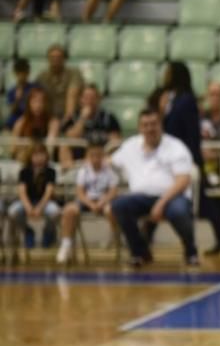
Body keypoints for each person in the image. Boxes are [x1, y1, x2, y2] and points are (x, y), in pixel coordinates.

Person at [161, 62, 220, 256]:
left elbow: (191, 133)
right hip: (176, 156)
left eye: (168, 72)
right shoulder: (173, 98)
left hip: (186, 158)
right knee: (202, 200)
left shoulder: (186, 100)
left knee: (199, 200)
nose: (164, 76)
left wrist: (193, 159)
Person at [110, 108, 199, 268]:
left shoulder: (175, 146)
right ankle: (140, 252)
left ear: (161, 125)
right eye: (145, 125)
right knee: (119, 205)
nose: (150, 128)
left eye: (154, 124)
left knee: (178, 211)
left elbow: (183, 180)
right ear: (139, 128)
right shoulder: (130, 146)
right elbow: (110, 163)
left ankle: (190, 251)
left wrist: (161, 203)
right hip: (141, 197)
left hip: (172, 196)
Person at [58, 137, 118, 265]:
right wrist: (90, 204)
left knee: (112, 210)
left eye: (99, 155)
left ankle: (112, 236)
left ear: (103, 156)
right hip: (87, 200)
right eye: (93, 155)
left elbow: (113, 191)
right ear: (88, 156)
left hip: (104, 200)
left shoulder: (109, 170)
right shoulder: (83, 170)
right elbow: (80, 192)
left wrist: (102, 202)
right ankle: (66, 245)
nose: (96, 159)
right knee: (69, 210)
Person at [6, 142, 60, 255]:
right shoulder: (24, 171)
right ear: (30, 156)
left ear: (46, 155)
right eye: (36, 154)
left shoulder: (51, 171)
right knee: (13, 211)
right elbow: (22, 192)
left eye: (42, 154)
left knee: (55, 212)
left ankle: (48, 232)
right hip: (27, 201)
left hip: (45, 202)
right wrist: (28, 207)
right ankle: (27, 231)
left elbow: (48, 192)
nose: (39, 157)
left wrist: (40, 207)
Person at [58, 83, 121, 167]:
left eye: (92, 98)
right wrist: (82, 118)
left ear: (98, 99)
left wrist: (97, 156)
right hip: (77, 162)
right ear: (81, 100)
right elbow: (71, 138)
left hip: (102, 161)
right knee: (63, 147)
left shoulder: (108, 118)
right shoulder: (73, 118)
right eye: (86, 98)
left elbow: (115, 142)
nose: (89, 101)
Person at [10, 86, 59, 164]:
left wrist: (39, 155)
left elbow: (50, 148)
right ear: (29, 103)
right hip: (25, 161)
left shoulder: (53, 122)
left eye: (41, 101)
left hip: (44, 160)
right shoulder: (20, 123)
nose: (38, 105)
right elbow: (13, 149)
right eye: (35, 101)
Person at [34, 43, 82, 121]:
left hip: (69, 115)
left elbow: (72, 94)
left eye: (59, 57)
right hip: (48, 116)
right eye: (52, 57)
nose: (55, 60)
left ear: (64, 59)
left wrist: (68, 119)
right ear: (48, 59)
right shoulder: (42, 77)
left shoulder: (74, 73)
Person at [3, 58, 38, 130]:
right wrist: (17, 99)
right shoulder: (12, 91)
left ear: (28, 73)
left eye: (24, 72)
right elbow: (12, 111)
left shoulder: (35, 88)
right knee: (5, 129)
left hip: (32, 118)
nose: (22, 76)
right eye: (19, 73)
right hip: (16, 118)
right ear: (15, 73)